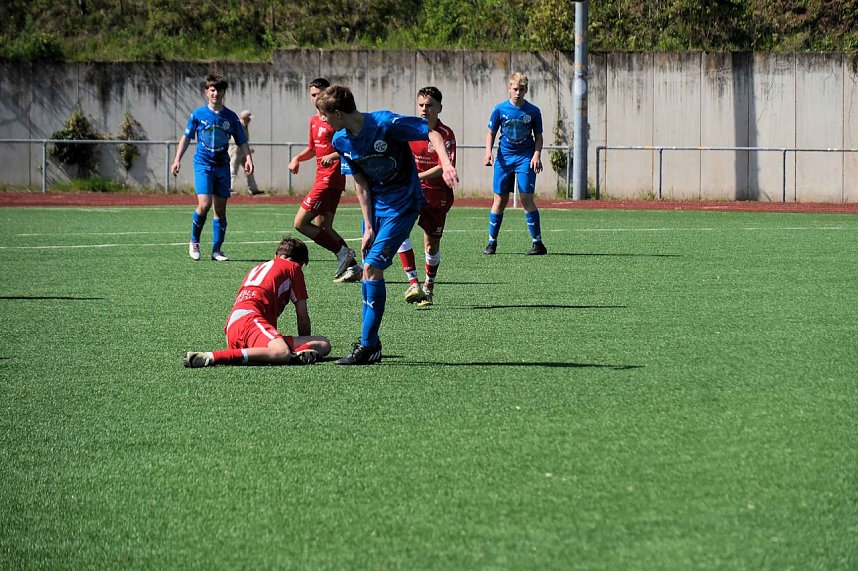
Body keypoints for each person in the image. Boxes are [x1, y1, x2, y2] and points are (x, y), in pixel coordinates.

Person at [314, 85, 458, 365]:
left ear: (338, 113)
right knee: (369, 273)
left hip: (404, 204)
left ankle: (368, 346)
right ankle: (370, 343)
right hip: (377, 209)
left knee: (371, 268)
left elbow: (432, 132)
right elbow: (361, 183)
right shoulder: (342, 141)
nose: (322, 120)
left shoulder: (385, 123)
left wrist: (446, 164)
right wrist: (368, 225)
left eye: (324, 115)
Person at [184, 236, 331, 367]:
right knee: (282, 352)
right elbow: (302, 316)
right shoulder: (293, 268)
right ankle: (211, 357)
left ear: (276, 255)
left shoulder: (257, 268)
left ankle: (292, 355)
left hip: (234, 327)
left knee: (323, 344)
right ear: (297, 262)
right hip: (250, 321)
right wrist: (305, 337)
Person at [171, 74, 253, 262]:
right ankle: (194, 241)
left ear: (224, 92)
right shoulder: (198, 114)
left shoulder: (231, 117)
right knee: (204, 204)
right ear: (206, 92)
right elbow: (186, 137)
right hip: (203, 165)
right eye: (212, 90)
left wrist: (248, 158)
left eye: (219, 90)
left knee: (221, 210)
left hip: (222, 166)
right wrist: (177, 159)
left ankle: (217, 250)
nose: (216, 93)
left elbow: (241, 140)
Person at [288, 78, 361, 283]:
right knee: (324, 226)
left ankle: (343, 253)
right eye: (312, 94)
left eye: (320, 93)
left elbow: (350, 145)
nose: (316, 97)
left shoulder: (337, 120)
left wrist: (334, 156)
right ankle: (353, 267)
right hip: (321, 178)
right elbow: (312, 149)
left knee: (300, 223)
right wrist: (297, 158)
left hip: (330, 180)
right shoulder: (313, 121)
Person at [397, 86, 456, 307]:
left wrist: (417, 175)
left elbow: (443, 167)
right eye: (421, 105)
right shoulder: (409, 131)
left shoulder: (446, 135)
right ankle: (413, 282)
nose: (424, 109)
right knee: (400, 229)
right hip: (413, 191)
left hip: (438, 194)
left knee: (431, 246)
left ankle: (428, 287)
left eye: (429, 105)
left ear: (439, 108)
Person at [483, 71, 547, 256]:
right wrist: (488, 152)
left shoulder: (533, 111)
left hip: (525, 158)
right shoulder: (499, 109)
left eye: (522, 89)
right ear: (509, 89)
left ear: (526, 90)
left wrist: (537, 154)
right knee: (500, 199)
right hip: (504, 158)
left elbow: (539, 136)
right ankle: (491, 242)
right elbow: (491, 132)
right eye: (515, 89)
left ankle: (538, 243)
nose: (518, 92)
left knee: (527, 198)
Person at [228, 109, 263, 195]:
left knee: (249, 169)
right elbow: (236, 139)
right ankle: (229, 188)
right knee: (233, 169)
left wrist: (247, 149)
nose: (250, 120)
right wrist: (246, 149)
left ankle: (253, 189)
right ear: (244, 118)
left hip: (242, 151)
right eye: (248, 118)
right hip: (236, 150)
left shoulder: (245, 126)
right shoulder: (239, 125)